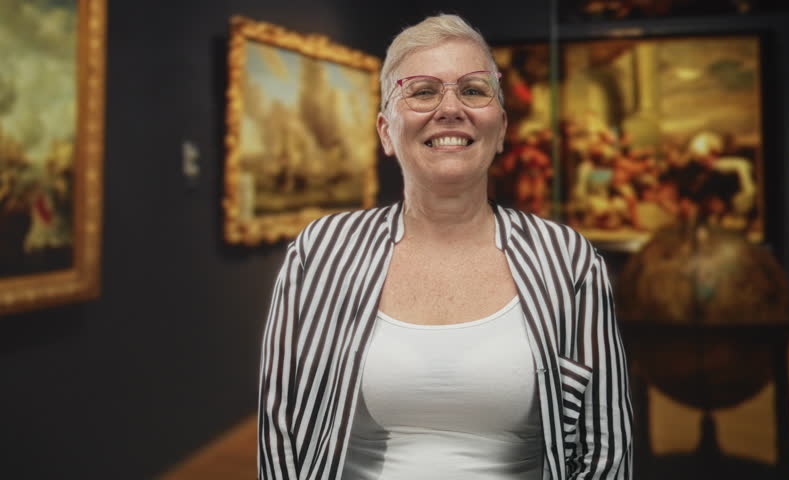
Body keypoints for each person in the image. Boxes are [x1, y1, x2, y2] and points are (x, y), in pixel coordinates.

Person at [258, 14, 633, 480]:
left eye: (474, 90)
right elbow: (280, 435)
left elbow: (605, 451)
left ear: (500, 129)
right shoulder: (319, 254)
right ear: (385, 132)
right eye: (422, 91)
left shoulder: (568, 261)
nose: (450, 108)